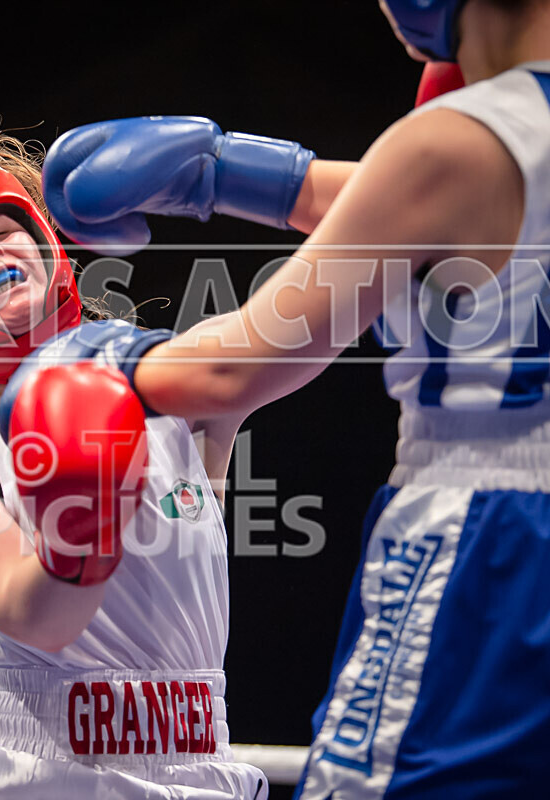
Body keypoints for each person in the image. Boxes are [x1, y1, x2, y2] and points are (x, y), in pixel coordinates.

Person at [40, 0, 550, 795]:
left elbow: (241, 365)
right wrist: (229, 170)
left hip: (493, 544)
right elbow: (442, 209)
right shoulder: (479, 148)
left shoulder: (454, 141)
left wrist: (110, 363)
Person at [0, 128, 269, 799]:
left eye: (2, 228)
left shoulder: (174, 382)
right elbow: (35, 614)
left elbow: (319, 322)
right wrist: (83, 515)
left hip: (206, 765)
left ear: (45, 245)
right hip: (42, 772)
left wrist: (238, 181)